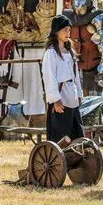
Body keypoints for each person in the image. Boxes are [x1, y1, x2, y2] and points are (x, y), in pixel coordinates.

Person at [42, 14, 85, 143]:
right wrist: (55, 100)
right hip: (61, 97)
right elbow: (49, 77)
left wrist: (79, 94)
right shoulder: (51, 53)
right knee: (60, 135)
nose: (68, 33)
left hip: (72, 96)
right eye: (64, 30)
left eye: (69, 29)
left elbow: (75, 76)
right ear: (56, 32)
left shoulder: (69, 52)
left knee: (76, 134)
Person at [62, 0, 103, 95]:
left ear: (88, 2)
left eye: (81, 1)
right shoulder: (68, 17)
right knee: (73, 106)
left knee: (93, 107)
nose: (79, 5)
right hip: (73, 71)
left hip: (93, 70)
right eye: (76, 1)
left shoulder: (97, 17)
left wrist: (101, 71)